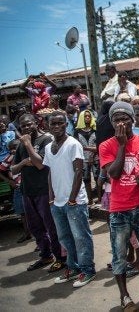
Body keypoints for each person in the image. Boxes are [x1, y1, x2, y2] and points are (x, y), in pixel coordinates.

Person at [99, 102, 139, 311]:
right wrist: (121, 145)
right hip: (119, 210)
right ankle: (124, 296)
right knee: (119, 255)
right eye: (116, 119)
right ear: (111, 122)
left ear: (132, 120)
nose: (121, 123)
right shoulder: (106, 145)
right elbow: (115, 173)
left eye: (124, 118)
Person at [43, 111, 96, 287]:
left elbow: (79, 172)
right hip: (57, 202)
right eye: (53, 124)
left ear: (66, 125)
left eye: (60, 123)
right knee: (65, 238)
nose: (57, 126)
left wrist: (72, 199)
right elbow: (50, 172)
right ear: (48, 126)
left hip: (75, 202)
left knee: (81, 237)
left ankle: (88, 270)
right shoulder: (48, 147)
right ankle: (73, 268)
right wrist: (51, 198)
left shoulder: (73, 144)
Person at [11, 113, 65, 273]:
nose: (26, 128)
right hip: (27, 191)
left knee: (51, 225)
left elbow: (40, 164)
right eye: (23, 126)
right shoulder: (21, 145)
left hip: (44, 190)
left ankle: (60, 258)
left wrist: (28, 145)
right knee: (35, 227)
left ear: (36, 123)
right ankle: (46, 255)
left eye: (29, 124)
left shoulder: (45, 140)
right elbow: (13, 169)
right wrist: (24, 162)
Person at [0, 139, 30, 242]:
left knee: (35, 212)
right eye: (11, 149)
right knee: (22, 213)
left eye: (15, 147)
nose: (13, 150)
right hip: (18, 189)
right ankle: (27, 233)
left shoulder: (28, 154)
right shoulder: (9, 158)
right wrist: (9, 181)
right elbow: (1, 170)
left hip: (31, 187)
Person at [75, 110, 97, 205]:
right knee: (86, 179)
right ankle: (90, 199)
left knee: (97, 177)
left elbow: (98, 145)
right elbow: (76, 147)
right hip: (83, 158)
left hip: (96, 157)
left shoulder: (95, 130)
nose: (87, 118)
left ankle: (100, 198)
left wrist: (89, 150)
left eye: (89, 116)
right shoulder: (77, 132)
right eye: (85, 116)